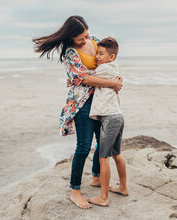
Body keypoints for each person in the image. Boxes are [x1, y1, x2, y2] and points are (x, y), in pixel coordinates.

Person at [32, 16, 122, 209]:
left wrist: (115, 75)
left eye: (86, 35)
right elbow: (83, 79)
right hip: (83, 103)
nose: (85, 40)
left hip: (102, 100)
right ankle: (75, 191)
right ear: (71, 37)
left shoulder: (94, 40)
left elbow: (108, 60)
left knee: (102, 143)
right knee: (83, 146)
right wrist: (112, 82)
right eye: (81, 38)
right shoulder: (70, 53)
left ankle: (97, 178)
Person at [86, 37, 129, 207]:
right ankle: (123, 188)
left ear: (111, 57)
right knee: (117, 154)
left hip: (109, 118)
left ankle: (104, 198)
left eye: (101, 53)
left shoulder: (103, 69)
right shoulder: (112, 69)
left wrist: (73, 79)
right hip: (117, 116)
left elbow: (86, 78)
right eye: (96, 52)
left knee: (104, 158)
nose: (96, 56)